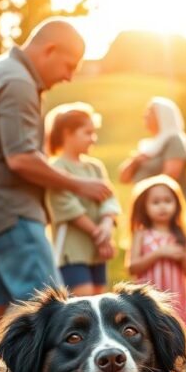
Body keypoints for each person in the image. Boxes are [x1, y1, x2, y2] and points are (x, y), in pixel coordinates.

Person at [0, 17, 112, 363]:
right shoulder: (17, 81)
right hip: (11, 210)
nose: (69, 76)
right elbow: (21, 158)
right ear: (50, 49)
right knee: (51, 308)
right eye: (69, 65)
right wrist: (79, 184)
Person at [44, 102, 120, 297]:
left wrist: (106, 225)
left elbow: (109, 199)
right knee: (82, 300)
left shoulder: (95, 167)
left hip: (97, 251)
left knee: (98, 298)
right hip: (72, 251)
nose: (93, 139)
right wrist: (98, 233)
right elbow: (66, 206)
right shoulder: (55, 168)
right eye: (87, 133)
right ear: (68, 133)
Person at [126, 174, 186, 331]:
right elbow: (132, 267)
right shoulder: (141, 234)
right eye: (156, 202)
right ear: (144, 206)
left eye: (168, 201)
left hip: (177, 298)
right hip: (150, 299)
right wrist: (159, 253)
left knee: (177, 331)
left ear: (177, 204)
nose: (163, 206)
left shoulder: (181, 235)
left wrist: (183, 257)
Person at [118, 96, 186, 191]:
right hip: (146, 203)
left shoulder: (174, 140)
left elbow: (170, 176)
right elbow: (123, 178)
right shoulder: (147, 145)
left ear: (163, 115)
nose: (144, 115)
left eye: (150, 111)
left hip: (165, 203)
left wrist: (144, 192)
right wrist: (135, 161)